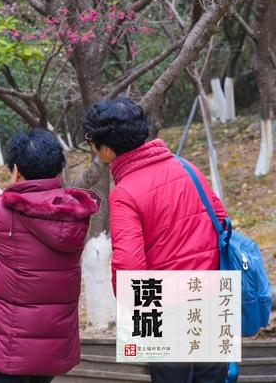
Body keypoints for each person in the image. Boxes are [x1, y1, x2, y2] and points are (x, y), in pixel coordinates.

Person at [83, 98, 228, 383]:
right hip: (209, 300)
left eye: (91, 140)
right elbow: (221, 223)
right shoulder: (187, 167)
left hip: (162, 309)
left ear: (107, 150)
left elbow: (129, 269)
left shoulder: (125, 192)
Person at [0, 128, 101, 383]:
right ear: (58, 169)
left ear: (16, 170)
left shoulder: (5, 213)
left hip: (6, 349)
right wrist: (1, 196)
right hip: (51, 347)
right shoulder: (71, 210)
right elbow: (31, 215)